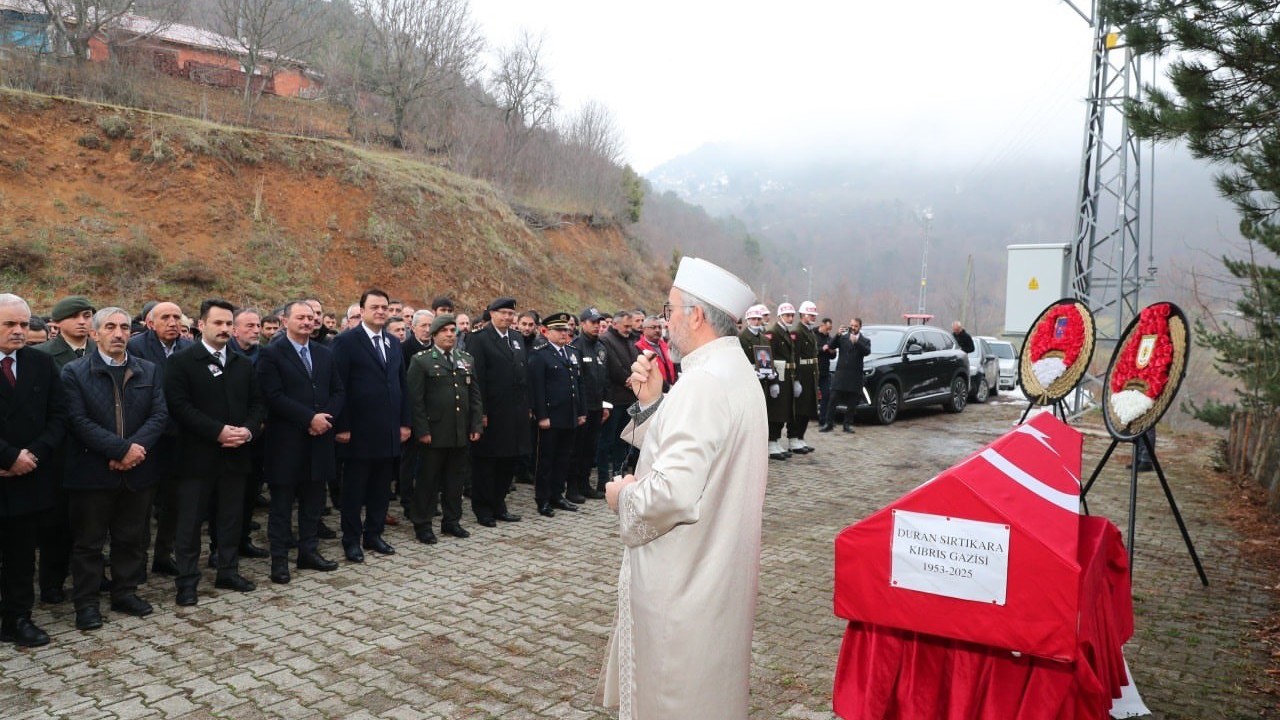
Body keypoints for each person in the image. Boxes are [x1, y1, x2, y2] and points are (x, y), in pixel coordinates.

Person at [598, 257, 766, 719]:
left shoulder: (703, 384)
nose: (663, 320)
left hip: (684, 584)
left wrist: (623, 497)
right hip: (714, 579)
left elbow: (673, 492)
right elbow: (700, 457)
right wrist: (653, 406)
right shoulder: (733, 372)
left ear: (694, 315)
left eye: (669, 309)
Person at [60, 307, 169, 630]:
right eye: (110, 327)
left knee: (131, 538)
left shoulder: (148, 370)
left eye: (124, 327)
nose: (119, 333)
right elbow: (77, 421)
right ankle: (87, 603)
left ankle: (125, 591)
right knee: (89, 544)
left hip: (139, 471)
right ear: (94, 334)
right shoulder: (74, 372)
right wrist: (120, 449)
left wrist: (135, 451)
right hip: (93, 472)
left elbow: (159, 416)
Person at [164, 299, 267, 605]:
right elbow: (178, 406)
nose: (223, 329)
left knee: (231, 518)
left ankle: (228, 570)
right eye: (217, 323)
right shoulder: (181, 362)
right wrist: (217, 431)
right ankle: (186, 582)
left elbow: (258, 403)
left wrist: (247, 430)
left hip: (236, 455)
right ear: (201, 325)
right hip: (196, 457)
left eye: (227, 324)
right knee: (191, 522)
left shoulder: (242, 363)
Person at [256, 300, 344, 584]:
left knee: (314, 501)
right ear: (285, 322)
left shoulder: (324, 353)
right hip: (287, 441)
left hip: (320, 440)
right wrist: (309, 419)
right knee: (282, 505)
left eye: (311, 318)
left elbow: (338, 389)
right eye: (301, 318)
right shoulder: (271, 354)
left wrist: (326, 418)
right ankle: (279, 561)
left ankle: (309, 552)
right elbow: (273, 396)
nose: (307, 322)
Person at [0, 294, 67, 648]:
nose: (19, 331)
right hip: (5, 469)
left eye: (24, 324)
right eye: (9, 324)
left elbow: (59, 415)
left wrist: (32, 456)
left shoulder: (40, 364)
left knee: (21, 556)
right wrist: (8, 456)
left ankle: (18, 618)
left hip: (28, 476)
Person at [330, 289, 411, 563]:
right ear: (362, 310)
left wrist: (404, 422)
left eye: (384, 307)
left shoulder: (392, 342)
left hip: (388, 429)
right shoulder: (345, 342)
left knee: (380, 487)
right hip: (358, 431)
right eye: (374, 307)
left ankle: (374, 534)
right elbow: (338, 386)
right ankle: (351, 540)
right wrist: (341, 425)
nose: (380, 311)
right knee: (354, 490)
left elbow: (401, 384)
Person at [128, 301, 193, 578]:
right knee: (142, 505)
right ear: (150, 323)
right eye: (165, 317)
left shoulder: (190, 348)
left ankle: (164, 555)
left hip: (180, 437)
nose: (172, 322)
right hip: (147, 437)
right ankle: (137, 561)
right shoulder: (135, 347)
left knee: (173, 502)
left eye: (176, 317)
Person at [406, 314, 481, 544]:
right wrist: (422, 430)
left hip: (459, 430)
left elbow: (474, 395)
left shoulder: (466, 359)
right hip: (434, 432)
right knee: (428, 480)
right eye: (445, 331)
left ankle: (451, 521)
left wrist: (476, 423)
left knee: (454, 479)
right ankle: (423, 523)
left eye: (453, 331)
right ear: (434, 335)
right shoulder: (422, 361)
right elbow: (415, 400)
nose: (450, 334)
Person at [467, 296, 529, 527]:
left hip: (515, 414)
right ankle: (483, 508)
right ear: (491, 313)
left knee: (508, 462)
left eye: (510, 314)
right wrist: (479, 412)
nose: (506, 317)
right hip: (492, 413)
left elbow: (523, 375)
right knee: (486, 463)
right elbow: (477, 379)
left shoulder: (516, 338)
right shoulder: (479, 339)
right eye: (502, 313)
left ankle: (499, 504)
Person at [527, 312, 586, 517]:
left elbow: (578, 383)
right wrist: (542, 415)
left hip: (569, 414)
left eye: (566, 330)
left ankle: (557, 494)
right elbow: (537, 388)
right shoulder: (539, 354)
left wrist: (581, 411)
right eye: (559, 330)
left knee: (564, 458)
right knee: (546, 460)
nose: (564, 333)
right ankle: (542, 499)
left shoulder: (571, 352)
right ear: (546, 332)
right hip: (551, 416)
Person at [568, 308, 610, 502]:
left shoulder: (601, 347)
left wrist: (606, 406)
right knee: (577, 449)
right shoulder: (576, 346)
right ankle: (573, 487)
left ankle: (585, 484)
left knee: (590, 448)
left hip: (597, 407)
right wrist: (578, 408)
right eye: (592, 323)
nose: (596, 326)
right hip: (582, 408)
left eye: (598, 323)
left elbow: (605, 378)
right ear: (582, 324)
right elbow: (575, 381)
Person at [823, 318, 872, 433]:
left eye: (855, 326)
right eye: (851, 325)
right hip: (841, 375)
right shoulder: (843, 338)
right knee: (833, 399)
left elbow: (867, 351)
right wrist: (837, 334)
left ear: (860, 327)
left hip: (855, 376)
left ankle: (847, 425)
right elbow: (831, 345)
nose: (853, 328)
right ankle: (828, 423)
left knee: (852, 403)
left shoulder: (865, 340)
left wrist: (857, 342)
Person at [786, 300, 821, 454]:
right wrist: (796, 379)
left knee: (807, 407)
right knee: (799, 409)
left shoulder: (809, 331)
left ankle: (800, 437)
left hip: (810, 374)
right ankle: (793, 437)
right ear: (802, 315)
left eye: (814, 315)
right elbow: (795, 356)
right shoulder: (797, 332)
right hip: (802, 373)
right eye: (810, 314)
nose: (813, 317)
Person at [765, 303, 798, 460]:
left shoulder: (785, 332)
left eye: (791, 315)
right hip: (779, 374)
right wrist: (773, 380)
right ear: (779, 316)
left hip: (787, 375)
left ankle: (776, 441)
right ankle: (771, 442)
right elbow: (768, 356)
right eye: (787, 315)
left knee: (783, 409)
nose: (790, 318)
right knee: (776, 410)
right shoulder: (774, 332)